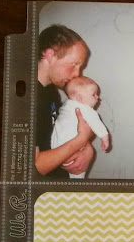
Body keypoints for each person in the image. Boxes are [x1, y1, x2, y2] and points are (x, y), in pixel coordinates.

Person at [36, 24, 94, 177]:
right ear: (50, 55)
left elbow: (64, 128)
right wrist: (81, 140)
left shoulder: (51, 92)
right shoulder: (27, 99)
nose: (77, 74)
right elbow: (34, 167)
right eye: (74, 64)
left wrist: (87, 148)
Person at [51, 76, 110, 178]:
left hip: (56, 148)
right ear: (79, 98)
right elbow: (97, 124)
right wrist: (105, 138)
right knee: (77, 176)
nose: (97, 97)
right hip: (72, 151)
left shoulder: (66, 105)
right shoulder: (86, 110)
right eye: (94, 94)